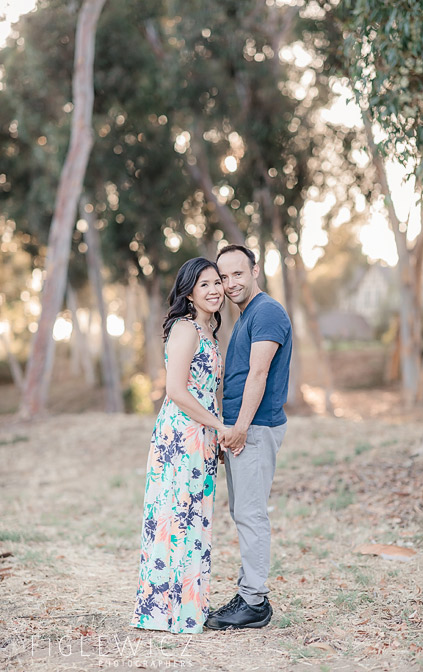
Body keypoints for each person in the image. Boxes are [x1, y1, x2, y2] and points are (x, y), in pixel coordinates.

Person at [132, 258, 225, 633]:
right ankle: (164, 611)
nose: (215, 289)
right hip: (181, 434)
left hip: (201, 433)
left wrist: (213, 432)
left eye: (217, 282)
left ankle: (188, 607)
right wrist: (218, 425)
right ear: (189, 292)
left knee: (193, 518)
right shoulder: (186, 329)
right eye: (204, 284)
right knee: (176, 517)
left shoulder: (208, 331)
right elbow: (175, 390)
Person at [204, 244, 292, 630]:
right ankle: (248, 594)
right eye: (223, 277)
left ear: (254, 270)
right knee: (242, 512)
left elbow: (258, 374)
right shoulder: (245, 317)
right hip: (243, 427)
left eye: (237, 274)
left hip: (254, 428)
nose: (229, 283)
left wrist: (239, 427)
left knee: (251, 514)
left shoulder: (267, 312)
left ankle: (254, 602)